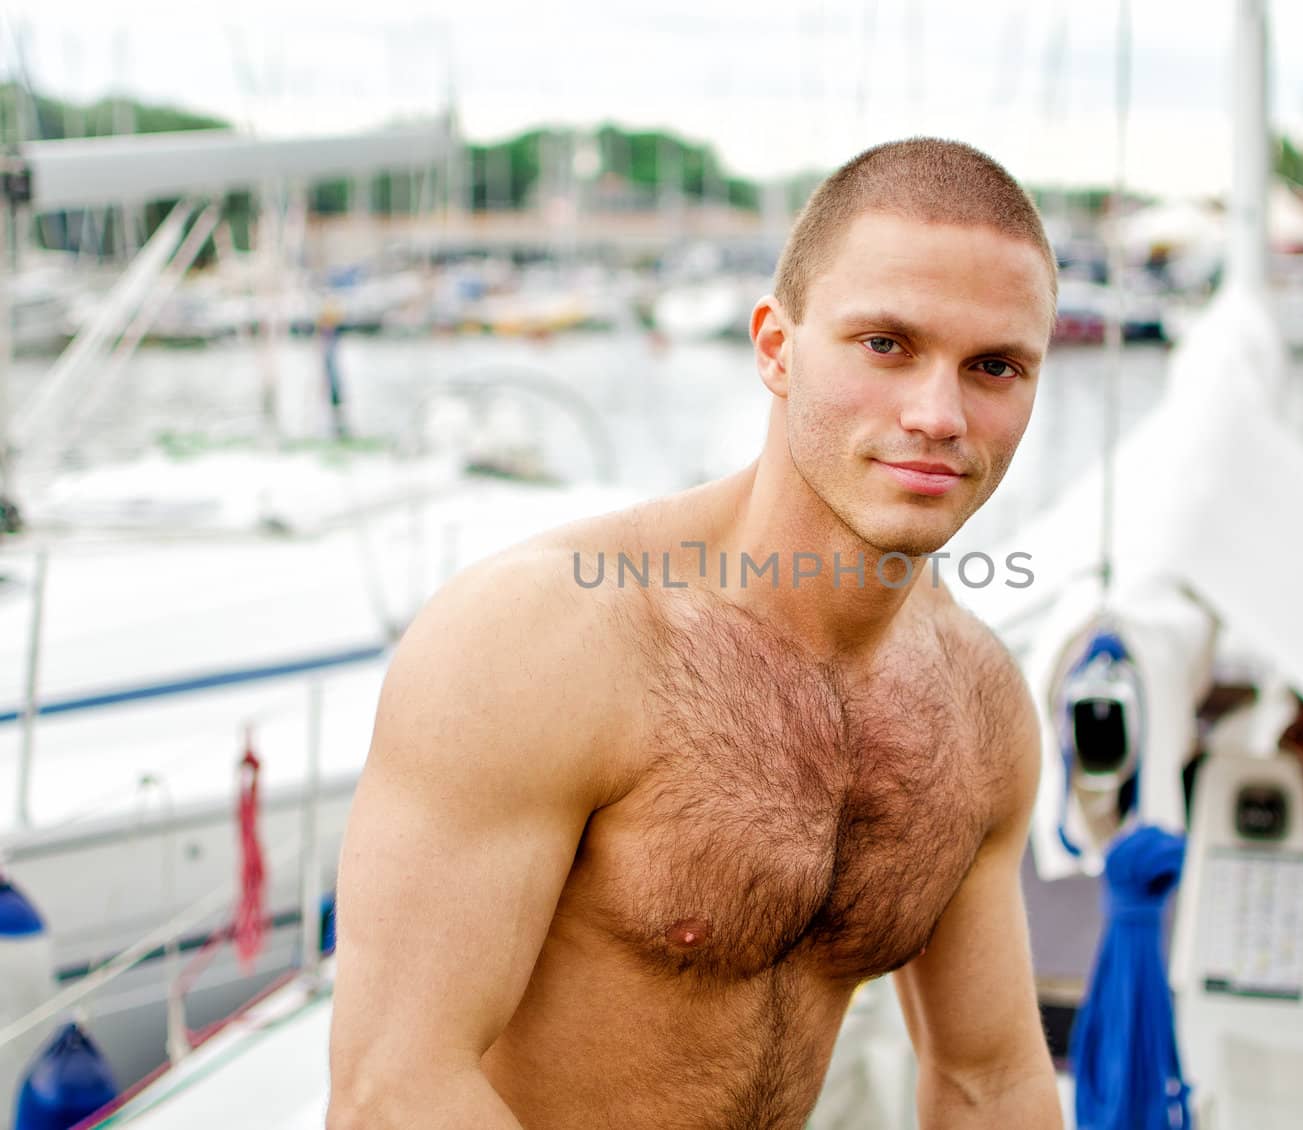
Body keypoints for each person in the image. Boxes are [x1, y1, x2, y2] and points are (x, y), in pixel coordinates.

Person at [326, 138, 1065, 1130]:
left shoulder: (976, 697)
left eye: (993, 366)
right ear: (774, 347)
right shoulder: (546, 638)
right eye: (885, 344)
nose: (939, 413)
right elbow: (393, 1089)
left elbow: (990, 1082)